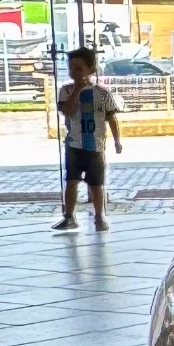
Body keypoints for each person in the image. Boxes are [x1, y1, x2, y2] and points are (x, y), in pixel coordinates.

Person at [54, 47, 123, 232]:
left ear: (90, 69)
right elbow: (67, 111)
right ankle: (69, 216)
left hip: (95, 146)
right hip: (74, 145)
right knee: (71, 181)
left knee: (96, 183)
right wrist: (76, 92)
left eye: (79, 68)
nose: (74, 72)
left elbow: (111, 118)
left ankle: (99, 216)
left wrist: (117, 140)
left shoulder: (102, 94)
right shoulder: (66, 91)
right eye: (71, 68)